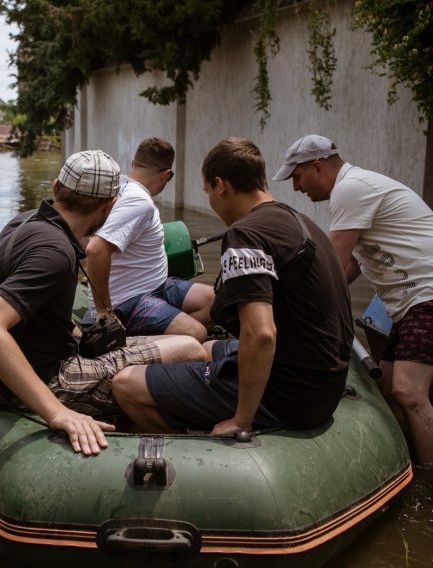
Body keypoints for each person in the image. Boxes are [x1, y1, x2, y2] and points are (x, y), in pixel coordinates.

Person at [0, 150, 208, 456]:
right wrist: (56, 412)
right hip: (53, 380)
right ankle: (171, 448)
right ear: (109, 206)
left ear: (56, 188)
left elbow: (39, 313)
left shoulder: (23, 222)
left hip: (40, 363)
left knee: (169, 344)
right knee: (192, 349)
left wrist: (78, 335)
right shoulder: (54, 251)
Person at [112, 137, 354, 435]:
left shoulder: (245, 235)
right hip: (321, 386)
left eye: (208, 192)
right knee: (207, 346)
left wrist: (242, 419)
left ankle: (187, 447)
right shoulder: (299, 221)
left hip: (288, 395)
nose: (211, 202)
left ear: (220, 185)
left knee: (125, 384)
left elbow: (261, 334)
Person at [273, 134, 433, 465]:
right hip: (408, 304)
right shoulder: (357, 189)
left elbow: (326, 265)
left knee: (409, 393)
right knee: (386, 390)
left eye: (297, 177)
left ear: (317, 167)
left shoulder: (351, 189)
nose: (296, 188)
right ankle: (402, 466)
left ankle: (427, 481)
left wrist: (291, 307)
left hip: (426, 296)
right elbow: (347, 269)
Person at [85, 137, 214, 341]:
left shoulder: (119, 188)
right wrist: (104, 312)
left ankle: (161, 333)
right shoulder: (139, 202)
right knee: (196, 333)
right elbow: (95, 249)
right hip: (129, 300)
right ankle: (129, 342)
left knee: (215, 301)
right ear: (166, 175)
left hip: (157, 285)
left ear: (133, 163)